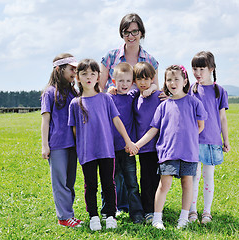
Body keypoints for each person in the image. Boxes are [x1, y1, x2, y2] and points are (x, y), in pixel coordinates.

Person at [67, 59, 138, 231]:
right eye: (84, 74)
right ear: (78, 77)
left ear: (99, 76)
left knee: (109, 184)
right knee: (90, 185)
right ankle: (93, 216)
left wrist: (128, 141)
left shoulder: (106, 99)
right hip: (87, 153)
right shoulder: (75, 103)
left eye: (93, 73)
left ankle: (110, 215)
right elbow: (75, 131)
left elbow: (117, 121)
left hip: (107, 150)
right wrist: (81, 148)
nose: (89, 77)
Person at [99, 13, 160, 212]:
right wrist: (109, 92)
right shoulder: (110, 57)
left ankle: (143, 205)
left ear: (141, 32)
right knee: (115, 166)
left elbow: (155, 89)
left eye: (135, 31)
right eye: (127, 31)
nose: (131, 35)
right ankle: (118, 204)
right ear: (122, 33)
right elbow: (100, 88)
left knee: (137, 167)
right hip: (115, 117)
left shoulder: (150, 59)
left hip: (140, 119)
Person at [134, 65, 207, 229]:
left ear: (184, 81)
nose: (172, 82)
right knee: (163, 185)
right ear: (165, 82)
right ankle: (157, 218)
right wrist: (137, 145)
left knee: (187, 183)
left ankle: (183, 218)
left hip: (188, 152)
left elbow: (200, 125)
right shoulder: (163, 106)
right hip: (168, 152)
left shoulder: (193, 102)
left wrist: (188, 139)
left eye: (176, 79)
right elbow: (153, 130)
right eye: (169, 79)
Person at [40, 53, 83, 228]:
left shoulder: (73, 91)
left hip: (73, 144)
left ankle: (68, 214)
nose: (75, 71)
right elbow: (45, 120)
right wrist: (45, 145)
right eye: (71, 69)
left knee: (70, 181)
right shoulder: (49, 93)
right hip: (57, 144)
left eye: (76, 69)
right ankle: (64, 217)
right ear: (59, 69)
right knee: (60, 182)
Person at [188, 51, 231, 224]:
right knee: (193, 177)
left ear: (211, 69)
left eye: (202, 68)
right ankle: (192, 211)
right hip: (195, 141)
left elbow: (222, 118)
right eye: (195, 69)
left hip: (213, 141)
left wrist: (225, 139)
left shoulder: (219, 91)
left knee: (209, 176)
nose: (198, 73)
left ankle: (206, 212)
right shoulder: (191, 89)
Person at [106, 62, 144, 224]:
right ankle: (109, 211)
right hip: (110, 149)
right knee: (110, 182)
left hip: (128, 148)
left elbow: (151, 86)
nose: (124, 84)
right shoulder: (109, 98)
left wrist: (150, 89)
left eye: (128, 81)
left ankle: (136, 213)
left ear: (133, 82)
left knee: (132, 182)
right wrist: (108, 90)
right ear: (113, 82)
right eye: (120, 81)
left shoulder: (132, 95)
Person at [132, 62, 163, 223]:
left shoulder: (158, 95)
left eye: (146, 79)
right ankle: (148, 210)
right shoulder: (135, 97)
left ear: (152, 79)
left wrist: (154, 88)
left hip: (159, 146)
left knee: (158, 178)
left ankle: (157, 209)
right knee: (145, 179)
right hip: (143, 148)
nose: (143, 82)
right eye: (139, 79)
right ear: (134, 81)